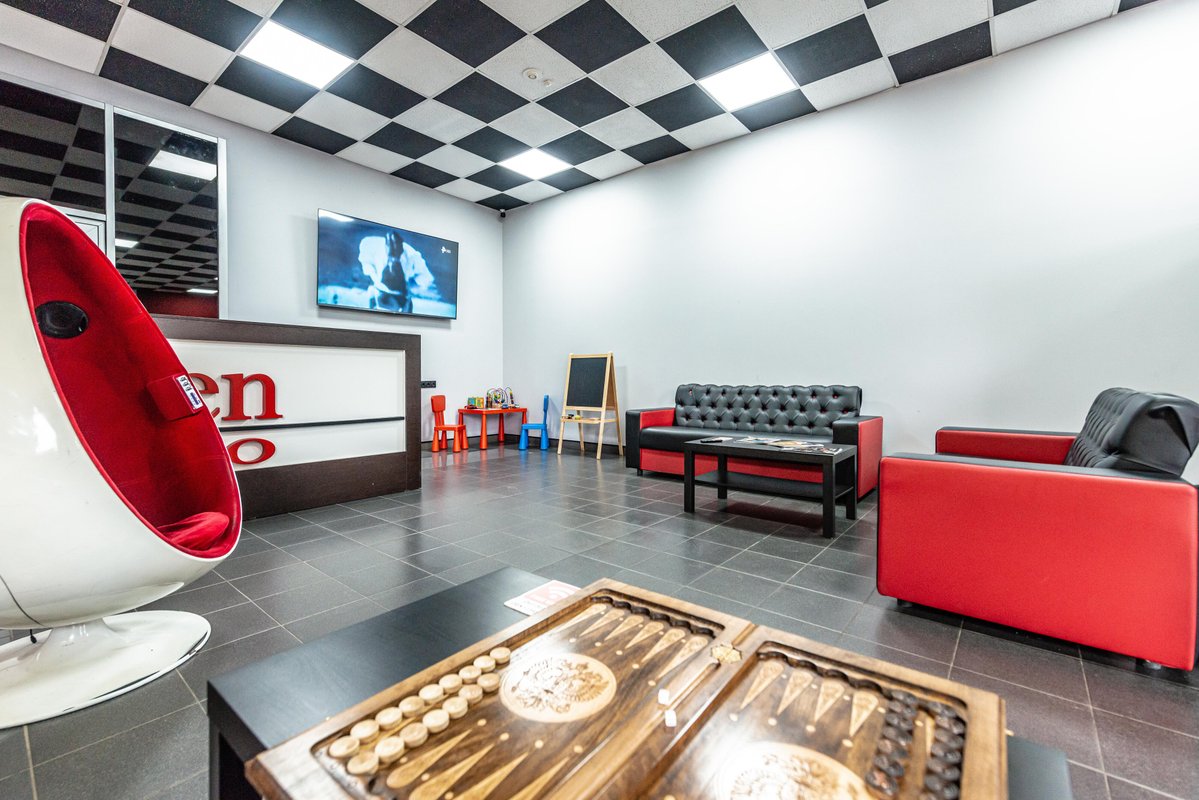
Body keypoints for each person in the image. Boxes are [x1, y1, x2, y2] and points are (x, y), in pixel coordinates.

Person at [357, 231, 437, 312]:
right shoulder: (371, 246)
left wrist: (410, 286)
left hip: (400, 294)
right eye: (391, 256)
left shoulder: (412, 256)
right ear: (385, 246)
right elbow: (366, 262)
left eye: (397, 255)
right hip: (381, 290)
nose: (393, 259)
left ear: (402, 250)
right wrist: (375, 278)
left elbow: (427, 278)